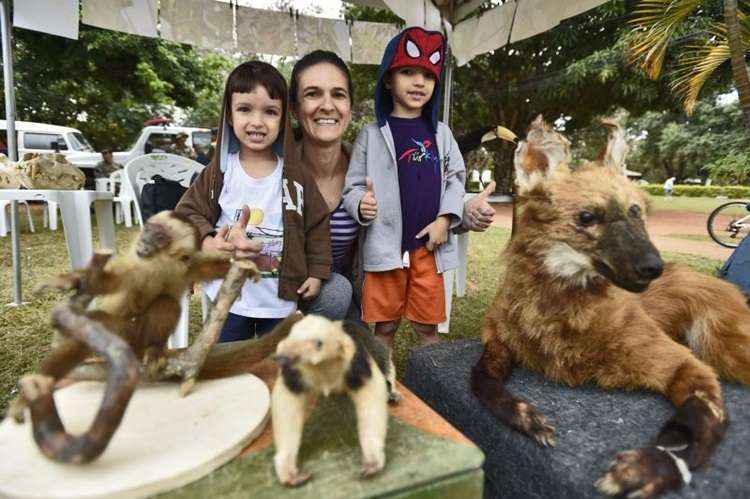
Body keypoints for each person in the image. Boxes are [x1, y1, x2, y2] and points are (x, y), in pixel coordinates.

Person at [288, 49, 497, 327]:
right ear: (294, 107)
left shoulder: (371, 162)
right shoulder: (276, 171)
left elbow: (416, 201)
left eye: (338, 94)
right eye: (313, 93)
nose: (327, 105)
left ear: (349, 106)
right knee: (337, 293)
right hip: (293, 289)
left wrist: (462, 212)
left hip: (351, 291)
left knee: (366, 353)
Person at [175, 61, 331, 342]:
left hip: (278, 300)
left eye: (270, 112)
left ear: (283, 119)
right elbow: (186, 213)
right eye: (245, 109)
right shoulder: (220, 171)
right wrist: (209, 240)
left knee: (275, 363)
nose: (257, 122)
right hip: (229, 296)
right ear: (230, 116)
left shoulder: (296, 177)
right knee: (229, 361)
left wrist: (317, 272)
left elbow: (318, 224)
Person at [342, 26, 466, 348]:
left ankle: (431, 386)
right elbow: (352, 187)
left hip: (430, 249)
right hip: (386, 249)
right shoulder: (371, 135)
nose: (418, 81)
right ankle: (381, 384)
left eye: (427, 74)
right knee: (384, 328)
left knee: (427, 329)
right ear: (387, 79)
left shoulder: (441, 134)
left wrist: (444, 220)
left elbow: (456, 178)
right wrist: (360, 204)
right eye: (408, 71)